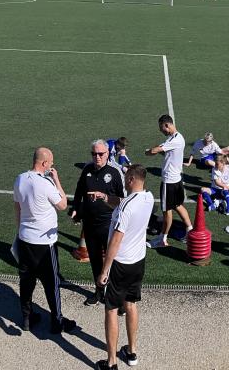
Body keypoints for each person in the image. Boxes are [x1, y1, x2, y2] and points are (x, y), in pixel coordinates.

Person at [94, 170, 154, 369]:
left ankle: (111, 362)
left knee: (111, 309)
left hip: (120, 264)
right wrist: (105, 197)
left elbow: (116, 240)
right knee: (131, 304)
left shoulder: (125, 208)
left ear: (131, 179)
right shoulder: (148, 197)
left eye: (125, 177)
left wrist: (104, 270)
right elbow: (123, 202)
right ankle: (132, 352)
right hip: (138, 261)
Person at [13, 147, 75, 336]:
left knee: (26, 280)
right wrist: (57, 180)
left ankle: (27, 317)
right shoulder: (46, 183)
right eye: (51, 163)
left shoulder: (20, 178)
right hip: (45, 243)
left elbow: (17, 207)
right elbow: (63, 204)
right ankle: (57, 321)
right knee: (51, 283)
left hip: (25, 239)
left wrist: (19, 232)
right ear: (45, 164)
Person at [72, 140, 126, 285]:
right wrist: (76, 209)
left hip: (108, 223)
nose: (97, 157)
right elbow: (79, 191)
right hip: (89, 224)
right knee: (95, 260)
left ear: (107, 154)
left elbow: (123, 199)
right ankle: (99, 291)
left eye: (101, 154)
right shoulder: (87, 169)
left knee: (112, 259)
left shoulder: (115, 172)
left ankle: (115, 295)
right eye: (94, 154)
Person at [144, 115, 185, 245]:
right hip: (176, 179)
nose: (161, 131)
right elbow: (165, 149)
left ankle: (163, 238)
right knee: (178, 206)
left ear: (167, 125)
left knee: (166, 211)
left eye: (162, 128)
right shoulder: (175, 138)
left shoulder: (175, 140)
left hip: (169, 181)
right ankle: (190, 230)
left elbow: (157, 149)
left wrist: (149, 152)